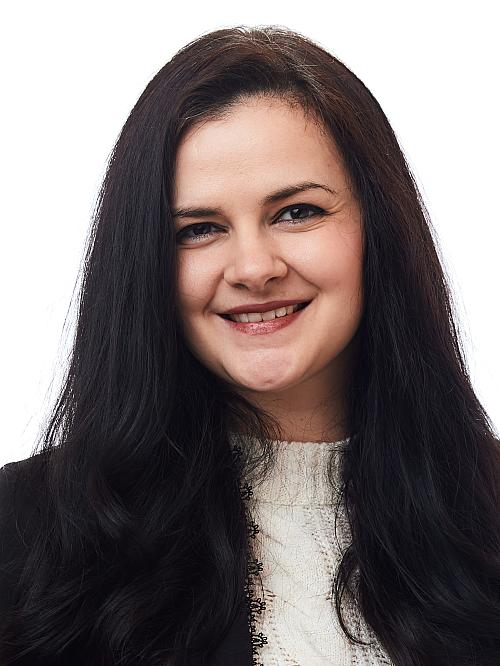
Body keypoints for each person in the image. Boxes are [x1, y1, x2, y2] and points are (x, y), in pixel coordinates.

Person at [1, 24, 499, 666]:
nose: (254, 268)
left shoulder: (486, 514)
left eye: (297, 212)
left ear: (377, 226)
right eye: (200, 229)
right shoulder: (25, 535)